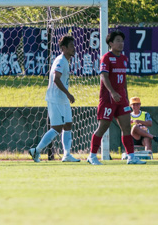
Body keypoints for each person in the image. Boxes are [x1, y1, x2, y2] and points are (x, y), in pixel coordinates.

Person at [88, 30, 145, 165]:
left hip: (122, 100)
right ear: (111, 43)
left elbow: (123, 79)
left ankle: (131, 157)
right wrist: (113, 92)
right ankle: (92, 156)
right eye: (118, 40)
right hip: (108, 99)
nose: (121, 43)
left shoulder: (124, 59)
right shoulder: (106, 58)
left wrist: (126, 95)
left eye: (122, 41)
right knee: (103, 127)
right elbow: (104, 76)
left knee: (126, 127)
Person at [29, 35, 78, 163]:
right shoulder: (61, 61)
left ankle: (67, 154)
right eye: (71, 46)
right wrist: (68, 94)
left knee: (68, 125)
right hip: (56, 99)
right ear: (64, 48)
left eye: (74, 45)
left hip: (63, 100)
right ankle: (36, 151)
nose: (74, 48)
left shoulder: (65, 60)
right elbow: (56, 79)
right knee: (56, 128)